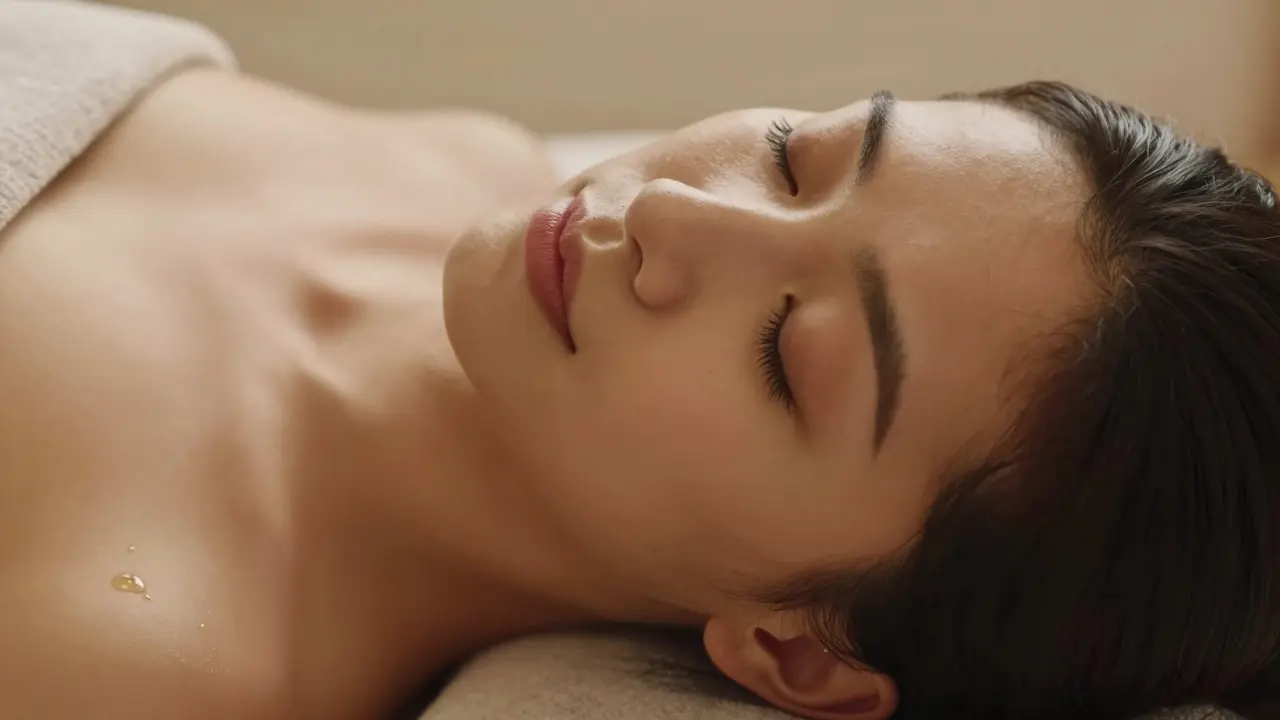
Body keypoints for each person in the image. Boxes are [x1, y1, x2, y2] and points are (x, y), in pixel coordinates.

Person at [1, 5, 1277, 720]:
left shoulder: (128, 659)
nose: (676, 218)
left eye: (789, 350)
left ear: (801, 654)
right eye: (798, 155)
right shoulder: (458, 162)